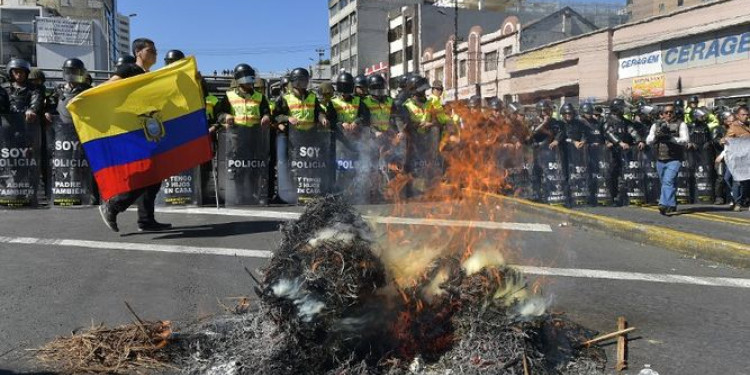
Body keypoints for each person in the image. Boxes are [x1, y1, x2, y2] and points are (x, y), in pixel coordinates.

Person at [98, 38, 171, 232]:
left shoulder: (150, 76)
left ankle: (146, 220)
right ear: (138, 52)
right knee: (147, 173)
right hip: (134, 130)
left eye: (155, 50)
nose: (155, 53)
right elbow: (108, 86)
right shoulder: (130, 70)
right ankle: (113, 206)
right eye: (151, 50)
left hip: (149, 129)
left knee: (155, 175)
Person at [646, 104, 689, 215]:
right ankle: (672, 204)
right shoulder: (656, 125)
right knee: (667, 183)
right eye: (666, 112)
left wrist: (671, 138)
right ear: (662, 114)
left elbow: (685, 140)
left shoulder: (681, 124)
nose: (668, 114)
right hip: (660, 158)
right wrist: (657, 137)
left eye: (671, 112)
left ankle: (663, 204)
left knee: (668, 181)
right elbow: (648, 140)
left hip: (674, 159)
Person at [604, 98, 642, 205]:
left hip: (625, 153)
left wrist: (639, 140)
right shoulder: (608, 121)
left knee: (626, 174)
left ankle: (624, 196)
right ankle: (613, 196)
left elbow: (632, 131)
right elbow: (609, 133)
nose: (623, 109)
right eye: (621, 107)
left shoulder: (625, 121)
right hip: (612, 153)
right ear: (616, 108)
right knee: (612, 174)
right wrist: (620, 143)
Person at [214, 64, 272, 129]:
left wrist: (266, 117)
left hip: (255, 134)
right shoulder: (229, 96)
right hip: (235, 134)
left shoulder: (260, 97)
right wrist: (226, 116)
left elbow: (266, 112)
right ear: (239, 78)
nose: (249, 81)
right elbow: (219, 113)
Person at [721, 105, 750, 211]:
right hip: (736, 159)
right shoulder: (734, 127)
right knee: (730, 179)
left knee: (745, 181)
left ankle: (741, 201)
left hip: (747, 159)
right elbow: (726, 139)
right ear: (738, 116)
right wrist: (724, 141)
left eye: (747, 114)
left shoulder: (748, 126)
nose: (746, 116)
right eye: (743, 115)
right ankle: (737, 200)